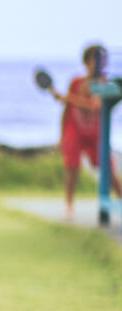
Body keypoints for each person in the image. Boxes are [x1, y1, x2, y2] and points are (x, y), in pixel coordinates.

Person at [46, 43, 122, 221]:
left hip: (97, 133)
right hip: (76, 130)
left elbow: (95, 106)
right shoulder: (76, 82)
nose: (99, 64)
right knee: (71, 168)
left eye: (102, 60)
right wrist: (62, 136)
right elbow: (66, 112)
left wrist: (67, 98)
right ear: (86, 62)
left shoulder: (105, 82)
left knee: (109, 171)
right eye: (95, 60)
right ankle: (69, 207)